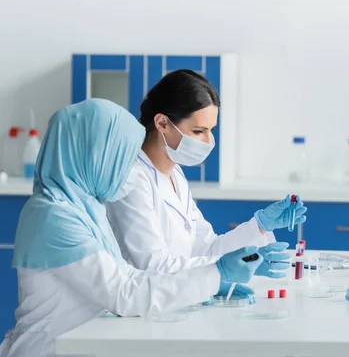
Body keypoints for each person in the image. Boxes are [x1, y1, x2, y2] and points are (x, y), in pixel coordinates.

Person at [0, 99, 263, 357]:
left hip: (84, 340)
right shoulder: (54, 215)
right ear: (92, 154)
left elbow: (129, 276)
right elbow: (124, 294)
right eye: (121, 157)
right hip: (51, 348)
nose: (129, 169)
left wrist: (209, 282)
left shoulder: (86, 206)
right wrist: (215, 275)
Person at [105, 70, 307, 277]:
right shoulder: (131, 179)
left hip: (178, 298)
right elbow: (153, 265)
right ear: (162, 123)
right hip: (145, 303)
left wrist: (260, 226)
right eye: (199, 131)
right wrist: (222, 271)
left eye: (211, 130)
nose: (209, 141)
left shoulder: (175, 174)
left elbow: (207, 249)